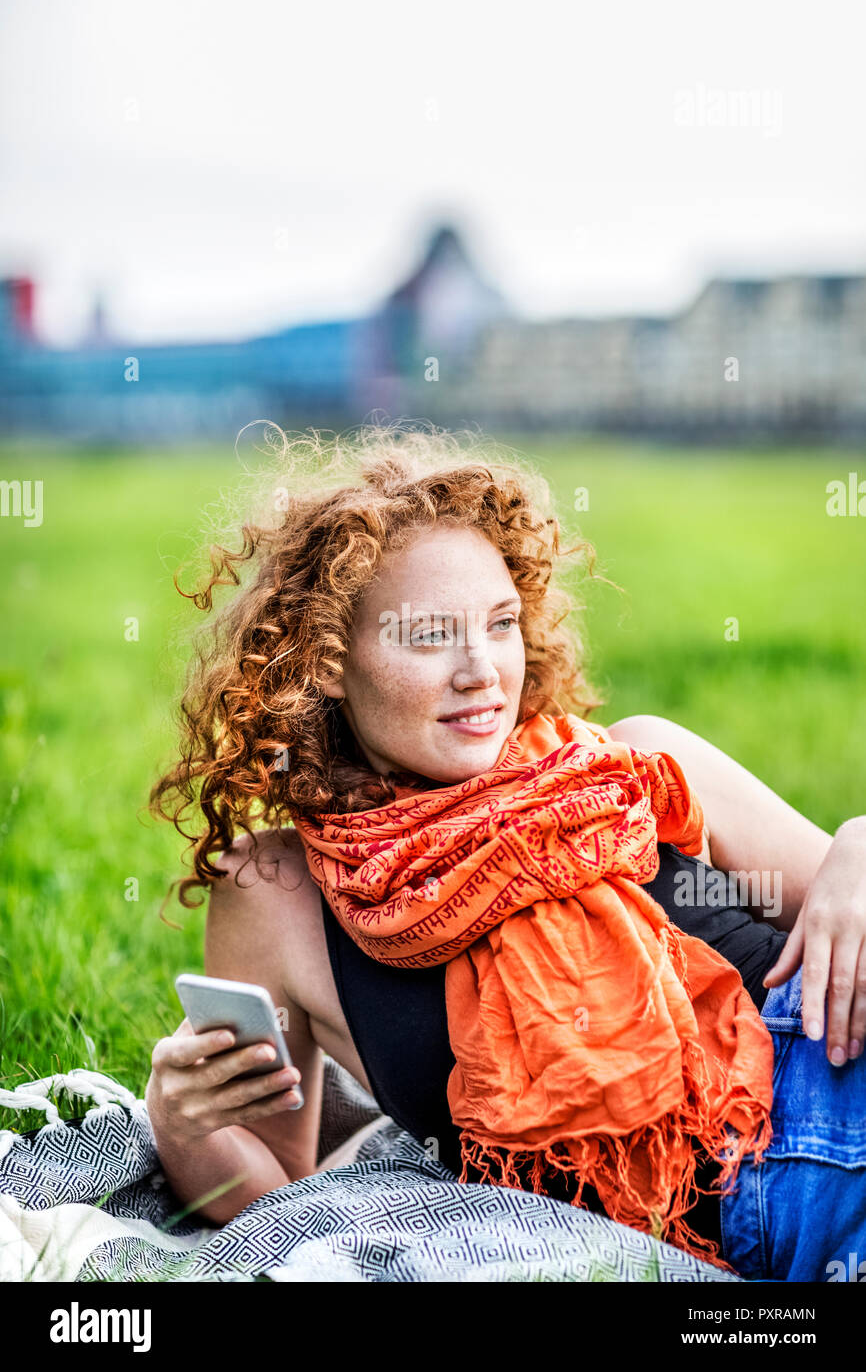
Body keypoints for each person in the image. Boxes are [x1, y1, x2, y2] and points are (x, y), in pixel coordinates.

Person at [147, 424, 866, 1281]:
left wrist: (858, 845)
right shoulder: (275, 891)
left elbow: (846, 886)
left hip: (830, 1075)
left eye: (499, 625)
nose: (482, 670)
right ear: (331, 660)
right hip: (759, 1230)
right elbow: (281, 1204)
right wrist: (181, 1124)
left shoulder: (628, 763)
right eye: (429, 635)